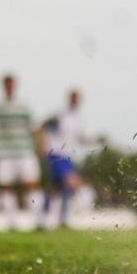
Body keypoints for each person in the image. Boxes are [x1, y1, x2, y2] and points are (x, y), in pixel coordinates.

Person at [0, 73, 43, 230]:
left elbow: (34, 128)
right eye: (7, 84)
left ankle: (38, 221)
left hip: (25, 152)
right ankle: (11, 223)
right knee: (6, 187)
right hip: (4, 153)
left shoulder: (24, 106)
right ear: (3, 86)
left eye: (11, 84)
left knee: (32, 185)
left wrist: (39, 145)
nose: (9, 87)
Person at [42, 88, 92, 228]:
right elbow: (43, 125)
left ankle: (52, 217)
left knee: (57, 188)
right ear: (69, 98)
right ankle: (61, 217)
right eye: (73, 97)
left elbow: (79, 138)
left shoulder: (78, 118)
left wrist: (95, 139)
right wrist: (42, 143)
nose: (75, 100)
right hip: (57, 153)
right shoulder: (60, 114)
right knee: (73, 183)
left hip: (69, 156)